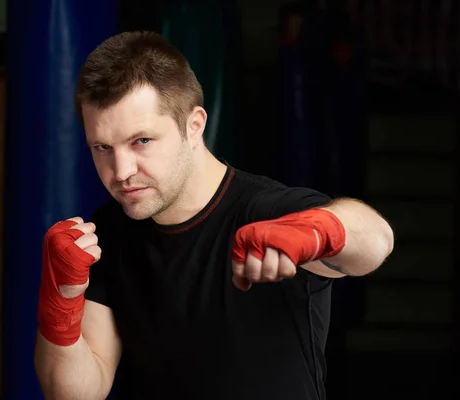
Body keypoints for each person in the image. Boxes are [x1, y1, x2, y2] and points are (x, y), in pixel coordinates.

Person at [34, 31, 394, 400]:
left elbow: (377, 240)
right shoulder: (108, 233)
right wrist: (61, 300)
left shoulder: (266, 213)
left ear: (194, 126)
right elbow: (75, 394)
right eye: (103, 147)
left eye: (141, 141)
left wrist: (320, 230)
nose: (121, 170)